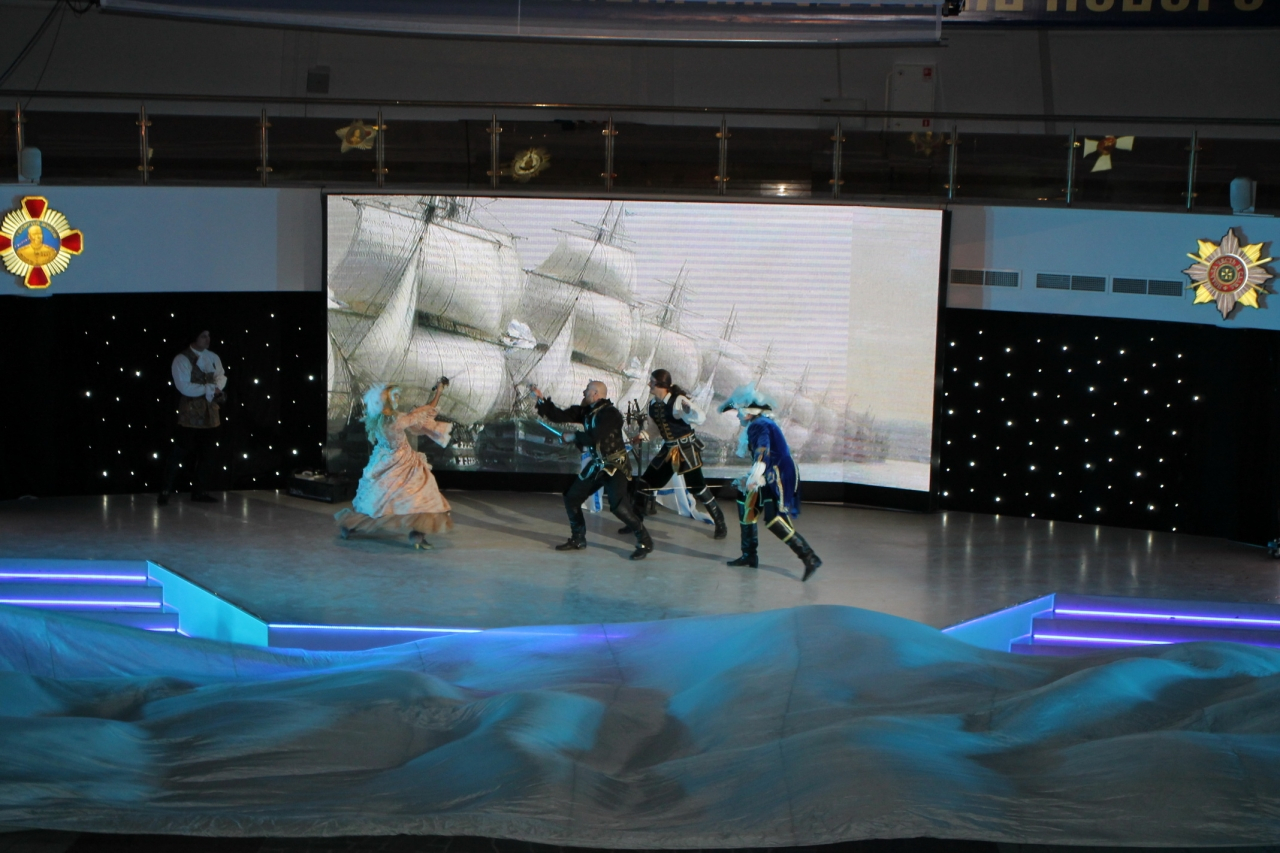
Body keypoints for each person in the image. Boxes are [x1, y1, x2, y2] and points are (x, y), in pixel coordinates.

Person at [532, 379, 653, 560]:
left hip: (615, 465)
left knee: (619, 507)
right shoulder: (586, 411)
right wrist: (541, 399)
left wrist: (573, 436)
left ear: (595, 393)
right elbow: (559, 415)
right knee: (572, 497)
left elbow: (595, 436)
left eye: (587, 390)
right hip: (597, 465)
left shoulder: (611, 414)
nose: (584, 392)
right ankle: (578, 538)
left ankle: (645, 541)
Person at [719, 384, 822, 581]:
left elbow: (763, 451)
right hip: (769, 473)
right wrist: (750, 477)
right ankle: (749, 555)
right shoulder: (761, 423)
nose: (737, 415)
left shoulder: (759, 425)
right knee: (746, 503)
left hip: (778, 475)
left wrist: (754, 477)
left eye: (738, 411)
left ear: (748, 412)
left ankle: (809, 557)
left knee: (774, 519)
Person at [335, 379, 454, 549]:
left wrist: (436, 393)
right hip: (403, 462)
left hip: (383, 461)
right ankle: (417, 535)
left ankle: (350, 525)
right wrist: (438, 393)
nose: (398, 399)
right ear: (387, 399)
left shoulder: (377, 418)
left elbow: (421, 412)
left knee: (378, 500)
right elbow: (425, 410)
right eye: (395, 396)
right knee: (422, 494)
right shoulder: (398, 420)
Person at [626, 369, 727, 539]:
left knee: (697, 486)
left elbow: (700, 418)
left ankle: (720, 522)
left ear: (661, 384)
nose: (649, 384)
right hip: (669, 449)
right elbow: (654, 429)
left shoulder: (678, 400)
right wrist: (641, 436)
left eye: (652, 382)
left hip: (685, 449)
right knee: (645, 483)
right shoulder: (653, 404)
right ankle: (636, 524)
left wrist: (689, 412)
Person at [159, 329, 227, 505]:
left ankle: (199, 491)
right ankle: (166, 489)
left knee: (207, 453)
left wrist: (216, 388)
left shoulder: (213, 357)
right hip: (191, 412)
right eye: (203, 336)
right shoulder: (182, 359)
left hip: (210, 411)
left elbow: (221, 376)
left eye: (208, 335)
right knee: (180, 450)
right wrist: (209, 389)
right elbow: (184, 386)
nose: (207, 339)